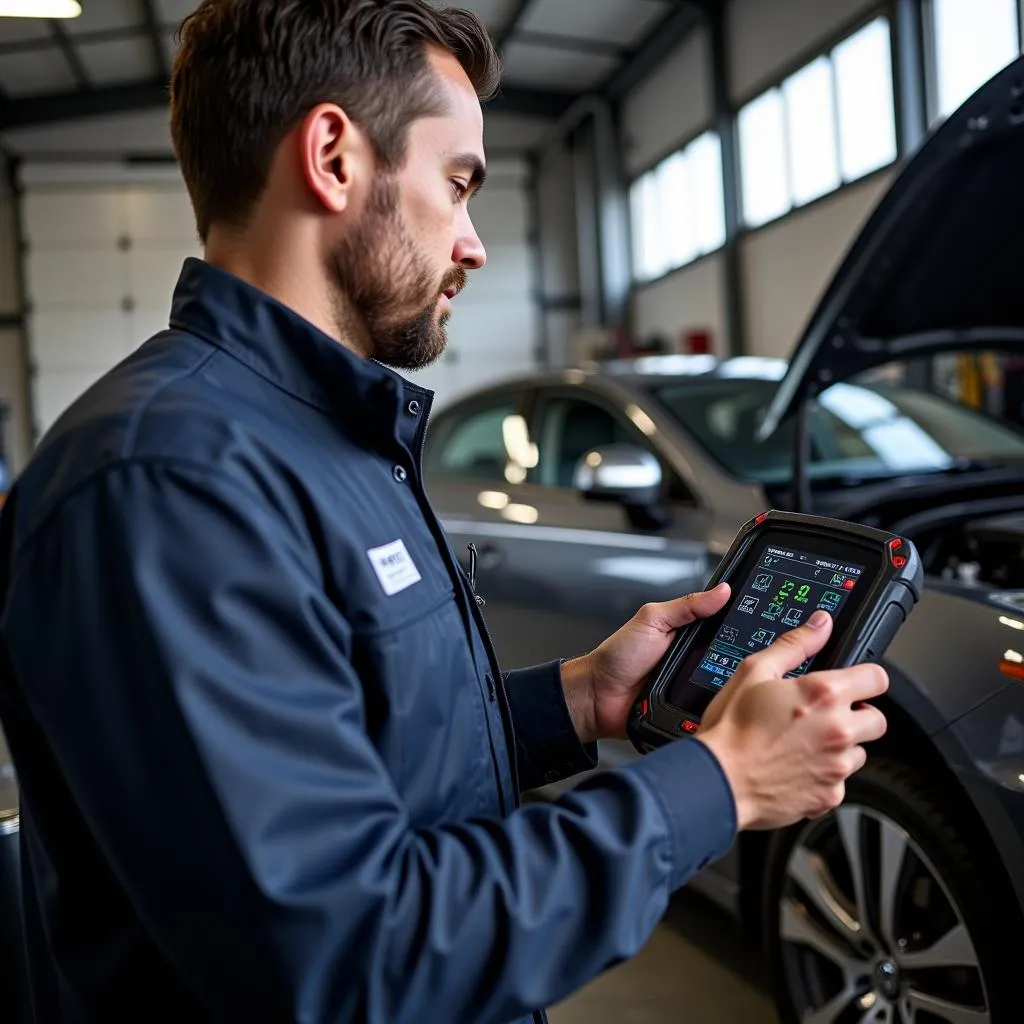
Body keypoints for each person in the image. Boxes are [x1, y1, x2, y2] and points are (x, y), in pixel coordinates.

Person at [0, 2, 889, 1022]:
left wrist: (574, 700)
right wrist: (717, 783)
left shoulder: (321, 437)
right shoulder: (164, 482)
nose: (471, 245)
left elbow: (367, 764)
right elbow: (344, 955)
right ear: (333, 157)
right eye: (457, 184)